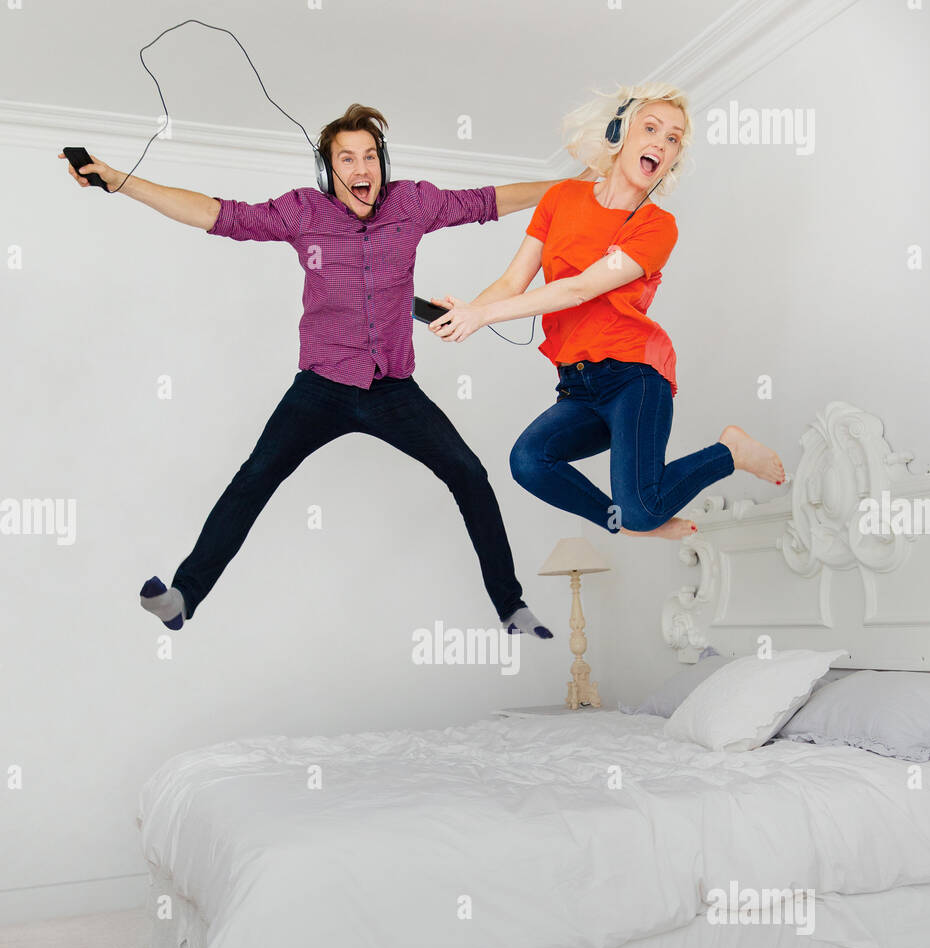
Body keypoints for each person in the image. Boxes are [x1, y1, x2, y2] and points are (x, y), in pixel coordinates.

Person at [60, 104, 589, 637]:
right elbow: (212, 213)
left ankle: (510, 606)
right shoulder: (300, 213)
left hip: (394, 390)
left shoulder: (414, 203)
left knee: (470, 476)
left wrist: (570, 187)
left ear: (382, 163)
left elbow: (490, 202)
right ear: (326, 170)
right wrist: (119, 180)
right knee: (255, 476)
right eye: (346, 159)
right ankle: (182, 597)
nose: (361, 170)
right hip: (321, 389)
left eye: (369, 158)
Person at [428, 83, 785, 541]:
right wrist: (467, 311)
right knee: (529, 461)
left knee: (642, 508)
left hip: (634, 378)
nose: (661, 141)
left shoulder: (657, 227)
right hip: (577, 384)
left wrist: (483, 317)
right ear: (621, 132)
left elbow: (578, 289)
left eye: (673, 139)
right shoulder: (560, 199)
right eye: (651, 128)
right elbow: (513, 281)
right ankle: (622, 521)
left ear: (673, 159)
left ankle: (729, 452)